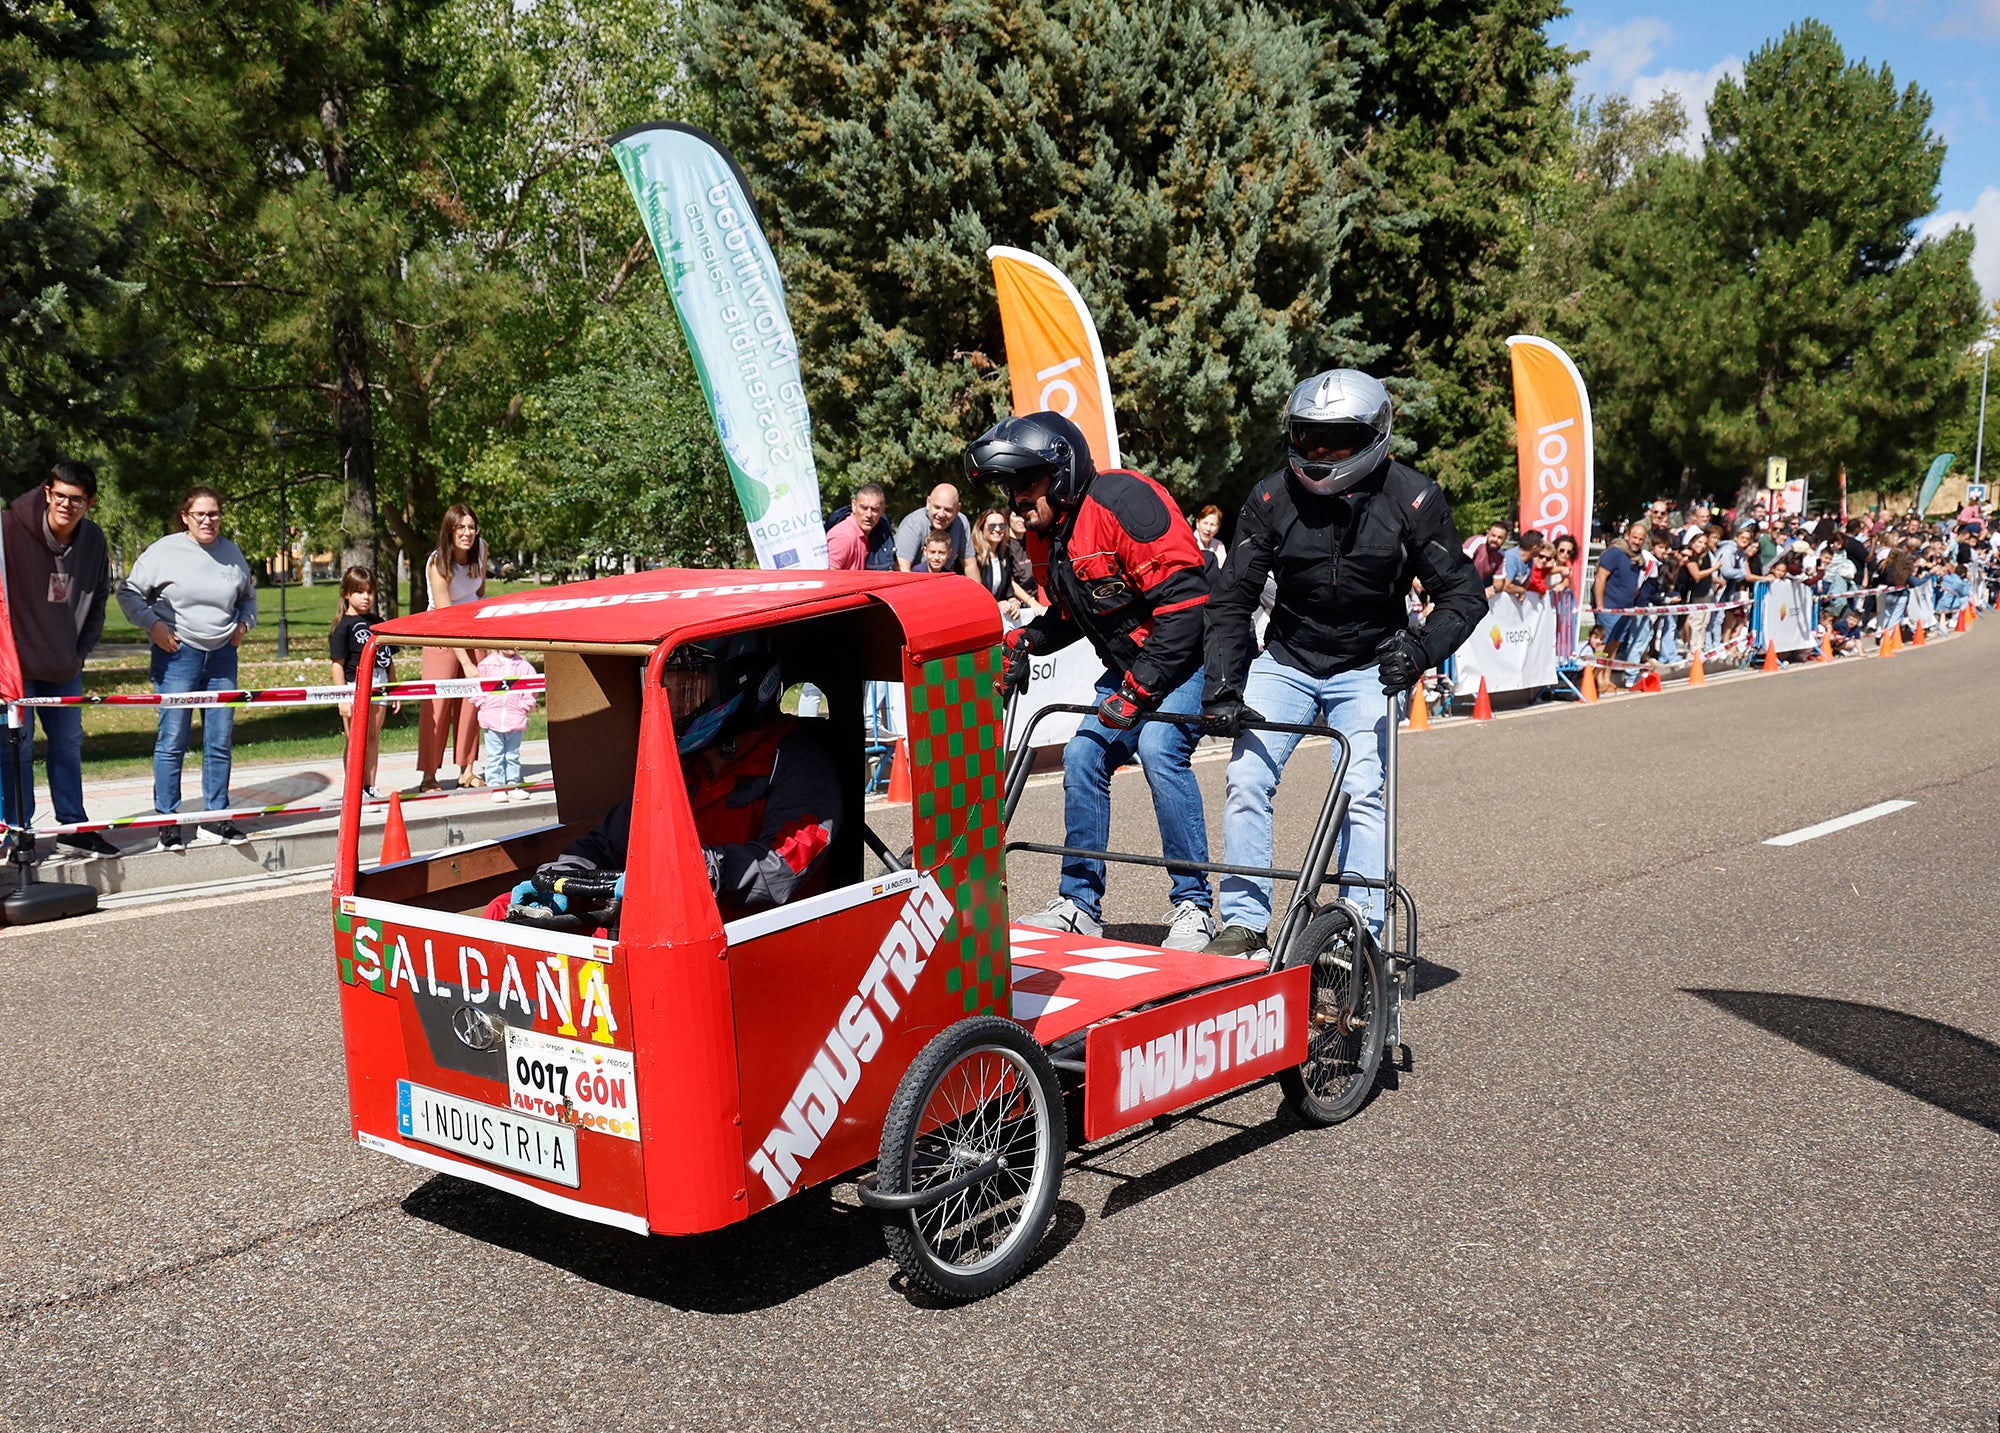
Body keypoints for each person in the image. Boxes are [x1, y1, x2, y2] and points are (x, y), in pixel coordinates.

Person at [1200, 369, 1484, 956]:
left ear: (1375, 435)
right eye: (1310, 438)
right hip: (1287, 658)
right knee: (1246, 778)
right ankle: (1244, 921)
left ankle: (1361, 933)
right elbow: (1232, 597)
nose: (1322, 453)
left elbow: (1463, 595)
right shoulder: (1271, 495)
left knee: (1362, 790)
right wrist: (1224, 686)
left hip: (1370, 665)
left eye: (1338, 440)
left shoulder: (1415, 497)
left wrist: (1420, 649)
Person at [968, 410, 1217, 950]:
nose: (1016, 499)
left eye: (1025, 483)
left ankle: (1195, 908)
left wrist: (1135, 693)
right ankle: (1079, 906)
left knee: (1158, 746)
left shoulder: (1126, 501)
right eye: (1010, 487)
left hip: (1189, 657)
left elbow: (1189, 606)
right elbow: (1069, 613)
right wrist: (1028, 640)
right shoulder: (1045, 534)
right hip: (1133, 666)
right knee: (1083, 756)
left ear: (1060, 473)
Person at [516, 638, 842, 927]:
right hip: (675, 940)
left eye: (689, 689)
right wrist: (561, 877)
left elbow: (781, 868)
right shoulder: (680, 766)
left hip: (762, 950)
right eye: (667, 690)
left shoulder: (798, 764)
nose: (673, 705)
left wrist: (686, 871)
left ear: (738, 683)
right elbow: (610, 842)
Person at [116, 485, 257, 849]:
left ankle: (216, 818)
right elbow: (128, 593)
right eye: (200, 514)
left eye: (214, 514)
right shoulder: (164, 551)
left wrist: (243, 626)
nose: (208, 521)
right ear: (185, 516)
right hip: (178, 654)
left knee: (219, 740)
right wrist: (154, 625)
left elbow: (248, 598)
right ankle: (169, 821)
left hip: (223, 656)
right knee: (172, 739)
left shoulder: (231, 552)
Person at [0, 459, 117, 857]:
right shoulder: (8, 529)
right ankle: (18, 831)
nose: (67, 505)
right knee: (15, 748)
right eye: (60, 496)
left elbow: (100, 598)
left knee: (67, 745)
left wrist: (81, 653)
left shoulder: (94, 540)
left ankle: (74, 825)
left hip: (65, 665)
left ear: (91, 503)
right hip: (17, 668)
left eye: (77, 500)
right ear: (47, 492)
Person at [417, 504, 487, 793]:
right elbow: (446, 619)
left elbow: (479, 591)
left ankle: (467, 769)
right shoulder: (437, 564)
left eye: (471, 527)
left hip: (473, 631)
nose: (467, 533)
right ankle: (429, 774)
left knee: (473, 702)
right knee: (437, 704)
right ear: (449, 531)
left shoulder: (481, 548)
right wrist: (466, 663)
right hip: (442, 634)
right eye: (461, 528)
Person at [328, 566, 398, 801]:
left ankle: (370, 785)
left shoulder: (379, 623)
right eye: (359, 592)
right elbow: (337, 665)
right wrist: (343, 698)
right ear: (346, 593)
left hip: (380, 681)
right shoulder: (342, 626)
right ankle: (354, 788)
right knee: (355, 739)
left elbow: (388, 659)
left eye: (370, 592)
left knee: (372, 738)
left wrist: (394, 689)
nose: (366, 597)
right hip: (354, 684)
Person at [471, 648, 538, 801]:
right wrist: (483, 704)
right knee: (495, 755)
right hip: (491, 718)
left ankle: (512, 784)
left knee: (512, 755)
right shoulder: (486, 665)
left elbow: (532, 689)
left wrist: (524, 706)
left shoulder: (525, 667)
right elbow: (476, 686)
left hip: (515, 719)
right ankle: (496, 787)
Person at [1592, 519, 1649, 678]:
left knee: (1614, 645)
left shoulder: (1637, 558)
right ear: (1627, 536)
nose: (1637, 542)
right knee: (1603, 645)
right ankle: (1596, 678)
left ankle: (1606, 677)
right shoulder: (1615, 553)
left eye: (1640, 539)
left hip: (1626, 609)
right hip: (1610, 607)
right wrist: (1600, 606)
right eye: (1634, 537)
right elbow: (1600, 578)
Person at [893, 483, 979, 579]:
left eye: (948, 510)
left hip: (941, 582)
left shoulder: (961, 523)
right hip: (914, 583)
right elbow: (902, 568)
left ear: (957, 509)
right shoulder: (913, 525)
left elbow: (969, 565)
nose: (941, 514)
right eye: (937, 507)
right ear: (928, 503)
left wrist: (979, 593)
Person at [970, 508, 1035, 623]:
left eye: (1002, 526)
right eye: (992, 526)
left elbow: (1008, 589)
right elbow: (974, 594)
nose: (998, 529)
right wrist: (995, 604)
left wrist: (1014, 601)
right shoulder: (974, 557)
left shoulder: (1003, 555)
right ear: (981, 529)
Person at [825, 482, 897, 571]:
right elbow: (827, 577)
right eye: (864, 508)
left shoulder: (878, 534)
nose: (869, 514)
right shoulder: (844, 537)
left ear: (882, 510)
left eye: (874, 509)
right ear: (854, 506)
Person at [1464, 520, 1509, 596]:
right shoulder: (1477, 542)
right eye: (1493, 535)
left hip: (1473, 591)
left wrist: (1493, 588)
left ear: (1505, 539)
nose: (1495, 539)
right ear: (1488, 533)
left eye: (1500, 537)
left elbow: (1499, 582)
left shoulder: (1501, 556)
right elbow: (1460, 565)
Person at [1193, 504, 1228, 569]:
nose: (1208, 528)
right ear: (1197, 523)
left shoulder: (1219, 546)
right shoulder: (1190, 542)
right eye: (1205, 523)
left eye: (1212, 525)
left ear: (1218, 527)